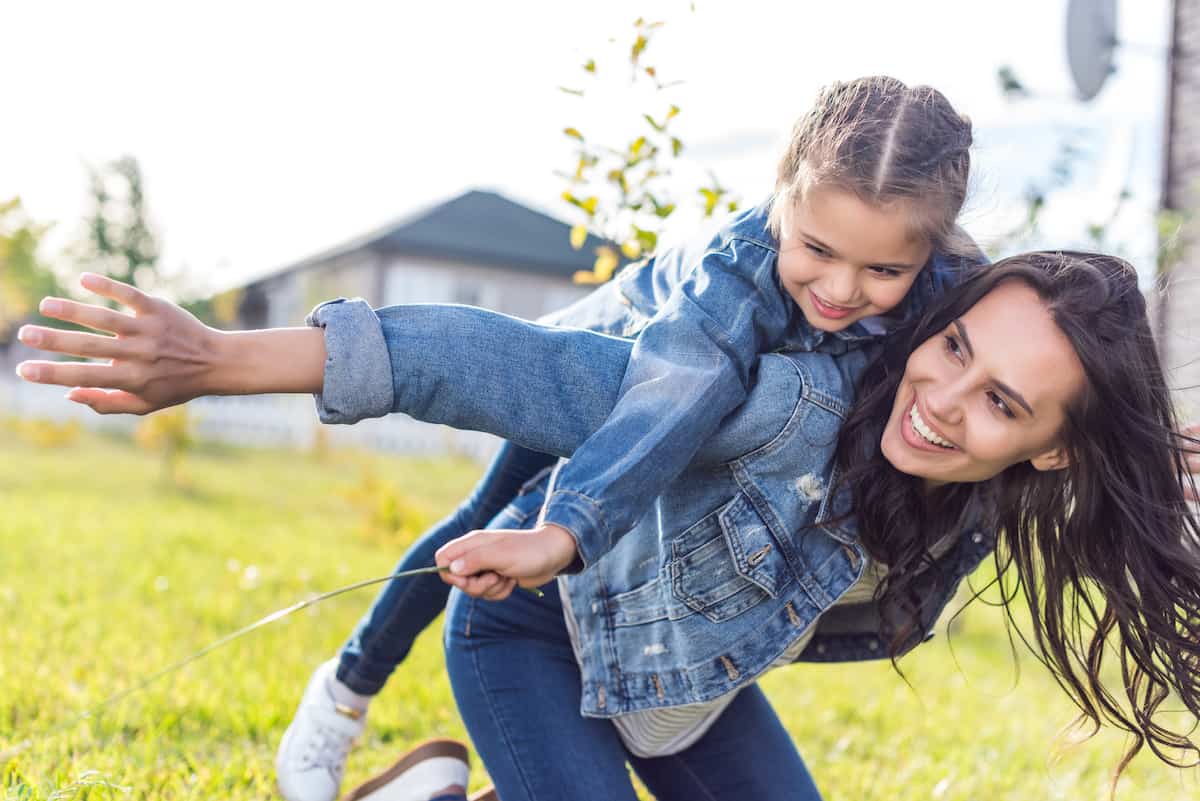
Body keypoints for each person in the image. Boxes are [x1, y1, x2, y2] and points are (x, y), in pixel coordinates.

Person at [15, 75, 979, 801]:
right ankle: (345, 691)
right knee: (486, 519)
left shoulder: (949, 303)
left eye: (882, 269)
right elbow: (674, 397)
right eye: (815, 249)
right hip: (596, 372)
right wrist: (569, 529)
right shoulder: (733, 281)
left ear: (930, 251)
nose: (844, 290)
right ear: (780, 202)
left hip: (654, 433)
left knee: (518, 526)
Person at [17, 253, 1200, 800]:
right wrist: (231, 357)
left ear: (1052, 448)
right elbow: (510, 368)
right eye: (952, 350)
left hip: (678, 679)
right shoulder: (776, 395)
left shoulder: (980, 512)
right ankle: (356, 699)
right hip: (537, 629)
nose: (943, 401)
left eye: (1001, 402)